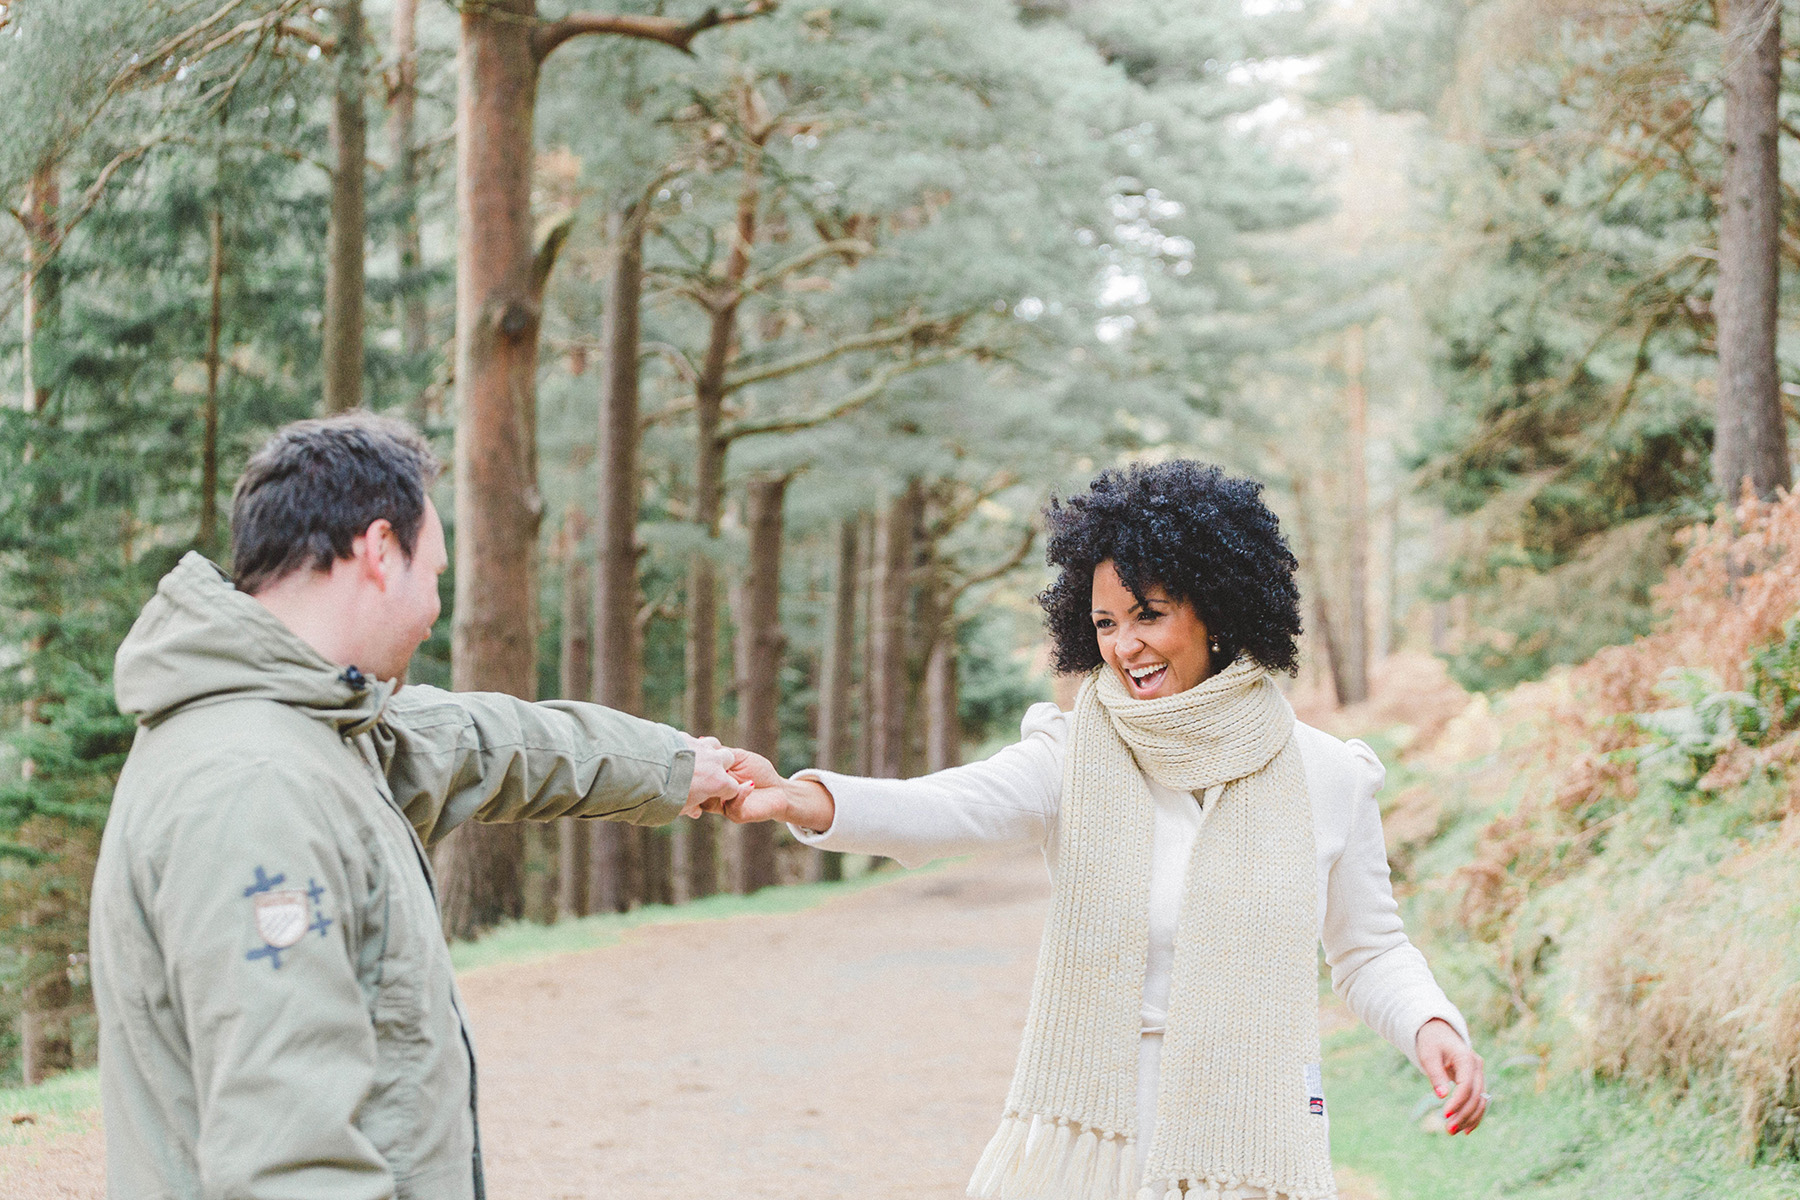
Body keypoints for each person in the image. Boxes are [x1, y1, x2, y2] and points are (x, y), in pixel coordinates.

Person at [723, 461, 1485, 1200]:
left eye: (1148, 614)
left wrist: (1429, 1024)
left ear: (1217, 610)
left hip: (1259, 1141)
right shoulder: (1074, 754)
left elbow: (1369, 949)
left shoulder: (1330, 775)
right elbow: (948, 807)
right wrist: (804, 800)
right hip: (1111, 1136)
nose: (1125, 647)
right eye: (1106, 623)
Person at [88, 412, 746, 1200]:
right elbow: (290, 1160)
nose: (437, 607)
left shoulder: (321, 730)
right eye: (434, 572)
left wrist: (677, 767)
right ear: (376, 551)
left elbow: (488, 744)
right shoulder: (258, 788)